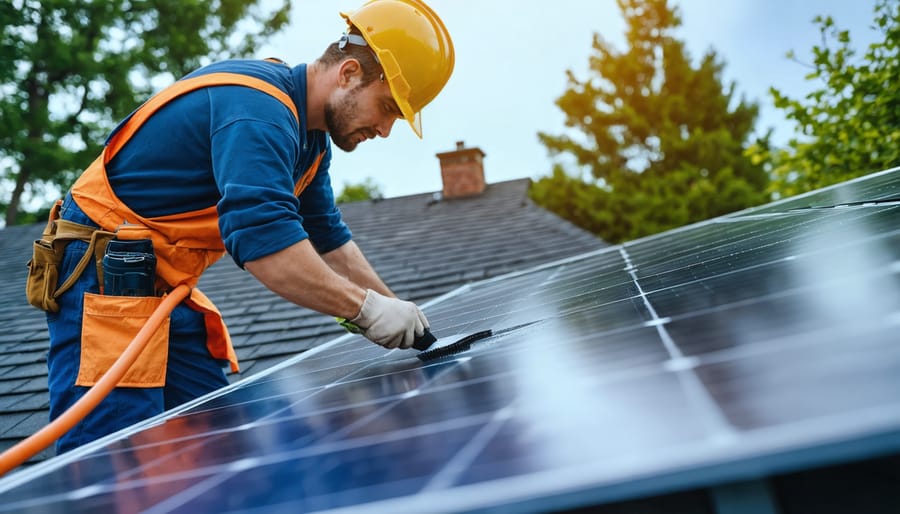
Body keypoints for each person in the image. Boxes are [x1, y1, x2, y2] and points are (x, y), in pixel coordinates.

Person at [33, 0, 455, 453]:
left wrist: (396, 309)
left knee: (213, 440)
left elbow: (326, 235)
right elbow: (265, 244)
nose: (386, 129)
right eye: (388, 107)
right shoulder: (258, 111)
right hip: (104, 274)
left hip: (156, 280)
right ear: (349, 73)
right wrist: (366, 310)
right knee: (116, 459)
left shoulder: (308, 139)